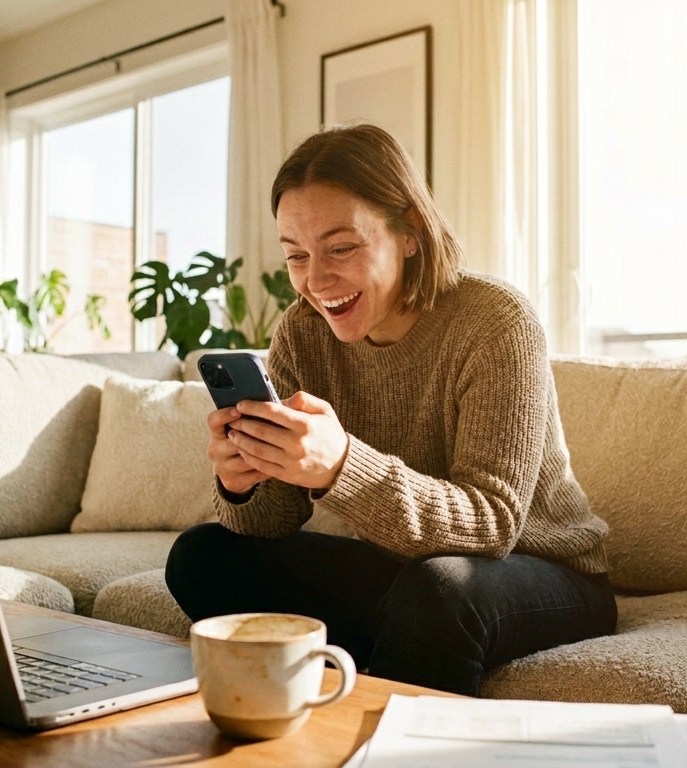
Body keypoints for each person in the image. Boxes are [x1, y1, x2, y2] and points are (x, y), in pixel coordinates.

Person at [166, 124, 615, 697]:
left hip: (548, 573)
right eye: (296, 255)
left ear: (409, 231)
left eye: (342, 248)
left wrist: (341, 468)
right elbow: (270, 526)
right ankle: (384, 657)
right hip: (410, 571)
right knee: (203, 557)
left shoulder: (496, 321)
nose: (316, 280)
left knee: (438, 592)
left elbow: (492, 525)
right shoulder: (302, 335)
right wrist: (242, 481)